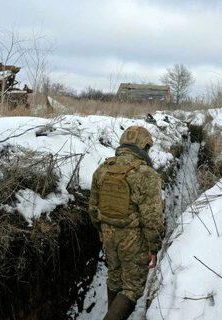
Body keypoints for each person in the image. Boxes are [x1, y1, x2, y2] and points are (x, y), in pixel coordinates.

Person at [88, 125, 164, 320]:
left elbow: (93, 207)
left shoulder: (103, 169)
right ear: (144, 147)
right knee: (132, 288)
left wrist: (100, 228)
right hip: (134, 239)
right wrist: (153, 247)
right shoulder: (147, 175)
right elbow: (152, 217)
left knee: (114, 278)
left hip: (108, 234)